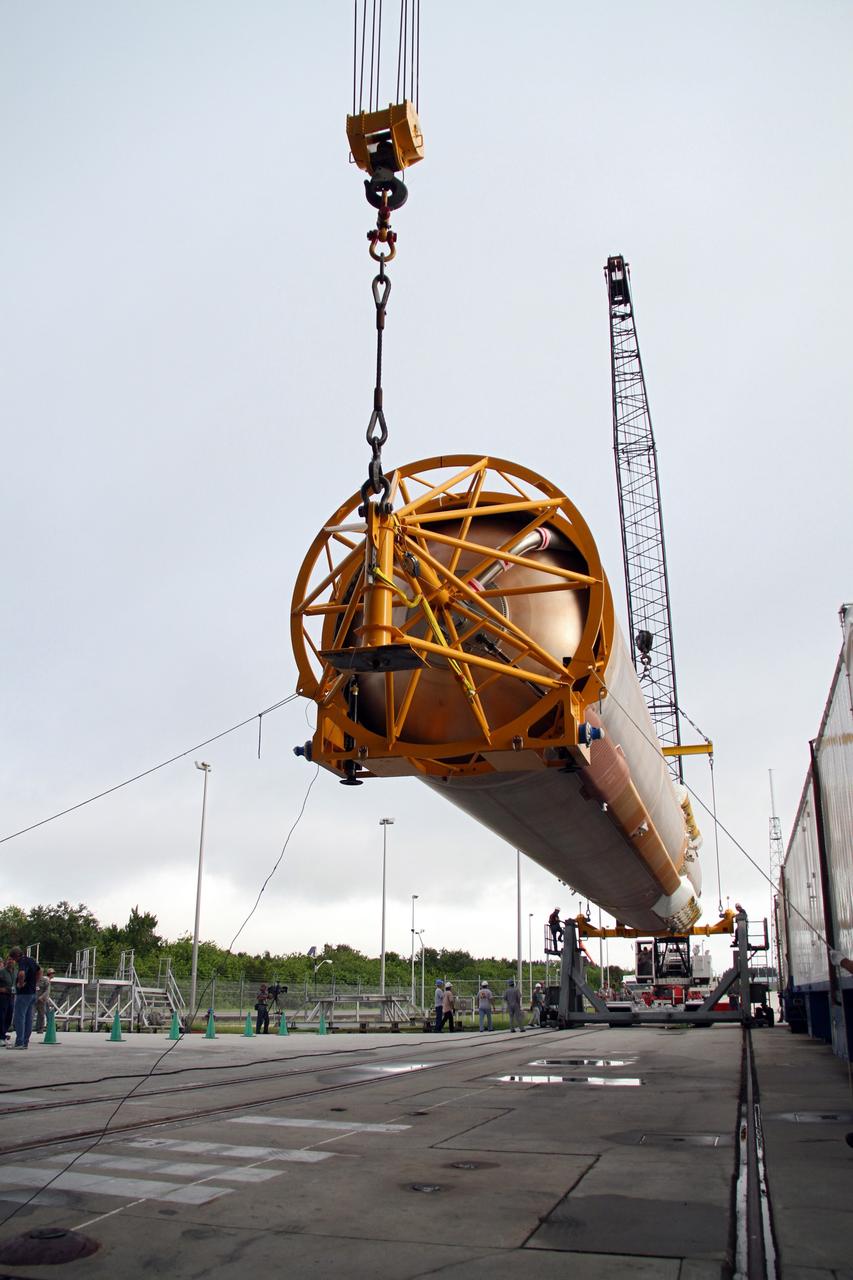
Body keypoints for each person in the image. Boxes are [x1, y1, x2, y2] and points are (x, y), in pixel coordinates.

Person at [9, 947, 41, 1049]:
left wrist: (20, 983)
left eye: (13, 958)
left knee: (20, 1017)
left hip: (23, 993)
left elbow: (22, 973)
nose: (14, 961)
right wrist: (35, 983)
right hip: (32, 992)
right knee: (28, 1018)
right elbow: (40, 970)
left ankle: (19, 1042)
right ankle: (25, 1042)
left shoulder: (22, 961)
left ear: (16, 956)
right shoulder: (31, 960)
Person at [35, 968, 54, 1034]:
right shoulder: (45, 979)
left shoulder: (45, 980)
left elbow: (47, 990)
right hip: (38, 999)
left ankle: (41, 1028)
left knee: (42, 1014)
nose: (53, 975)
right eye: (52, 973)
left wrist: (43, 997)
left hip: (42, 999)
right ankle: (43, 1027)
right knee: (43, 1014)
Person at [0, 956, 14, 1042]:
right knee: (2, 1016)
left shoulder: (15, 972)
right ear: (6, 961)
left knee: (9, 1017)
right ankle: (1, 1036)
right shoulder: (2, 972)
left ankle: (3, 1034)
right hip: (2, 997)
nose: (10, 961)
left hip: (11, 997)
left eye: (12, 960)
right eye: (9, 959)